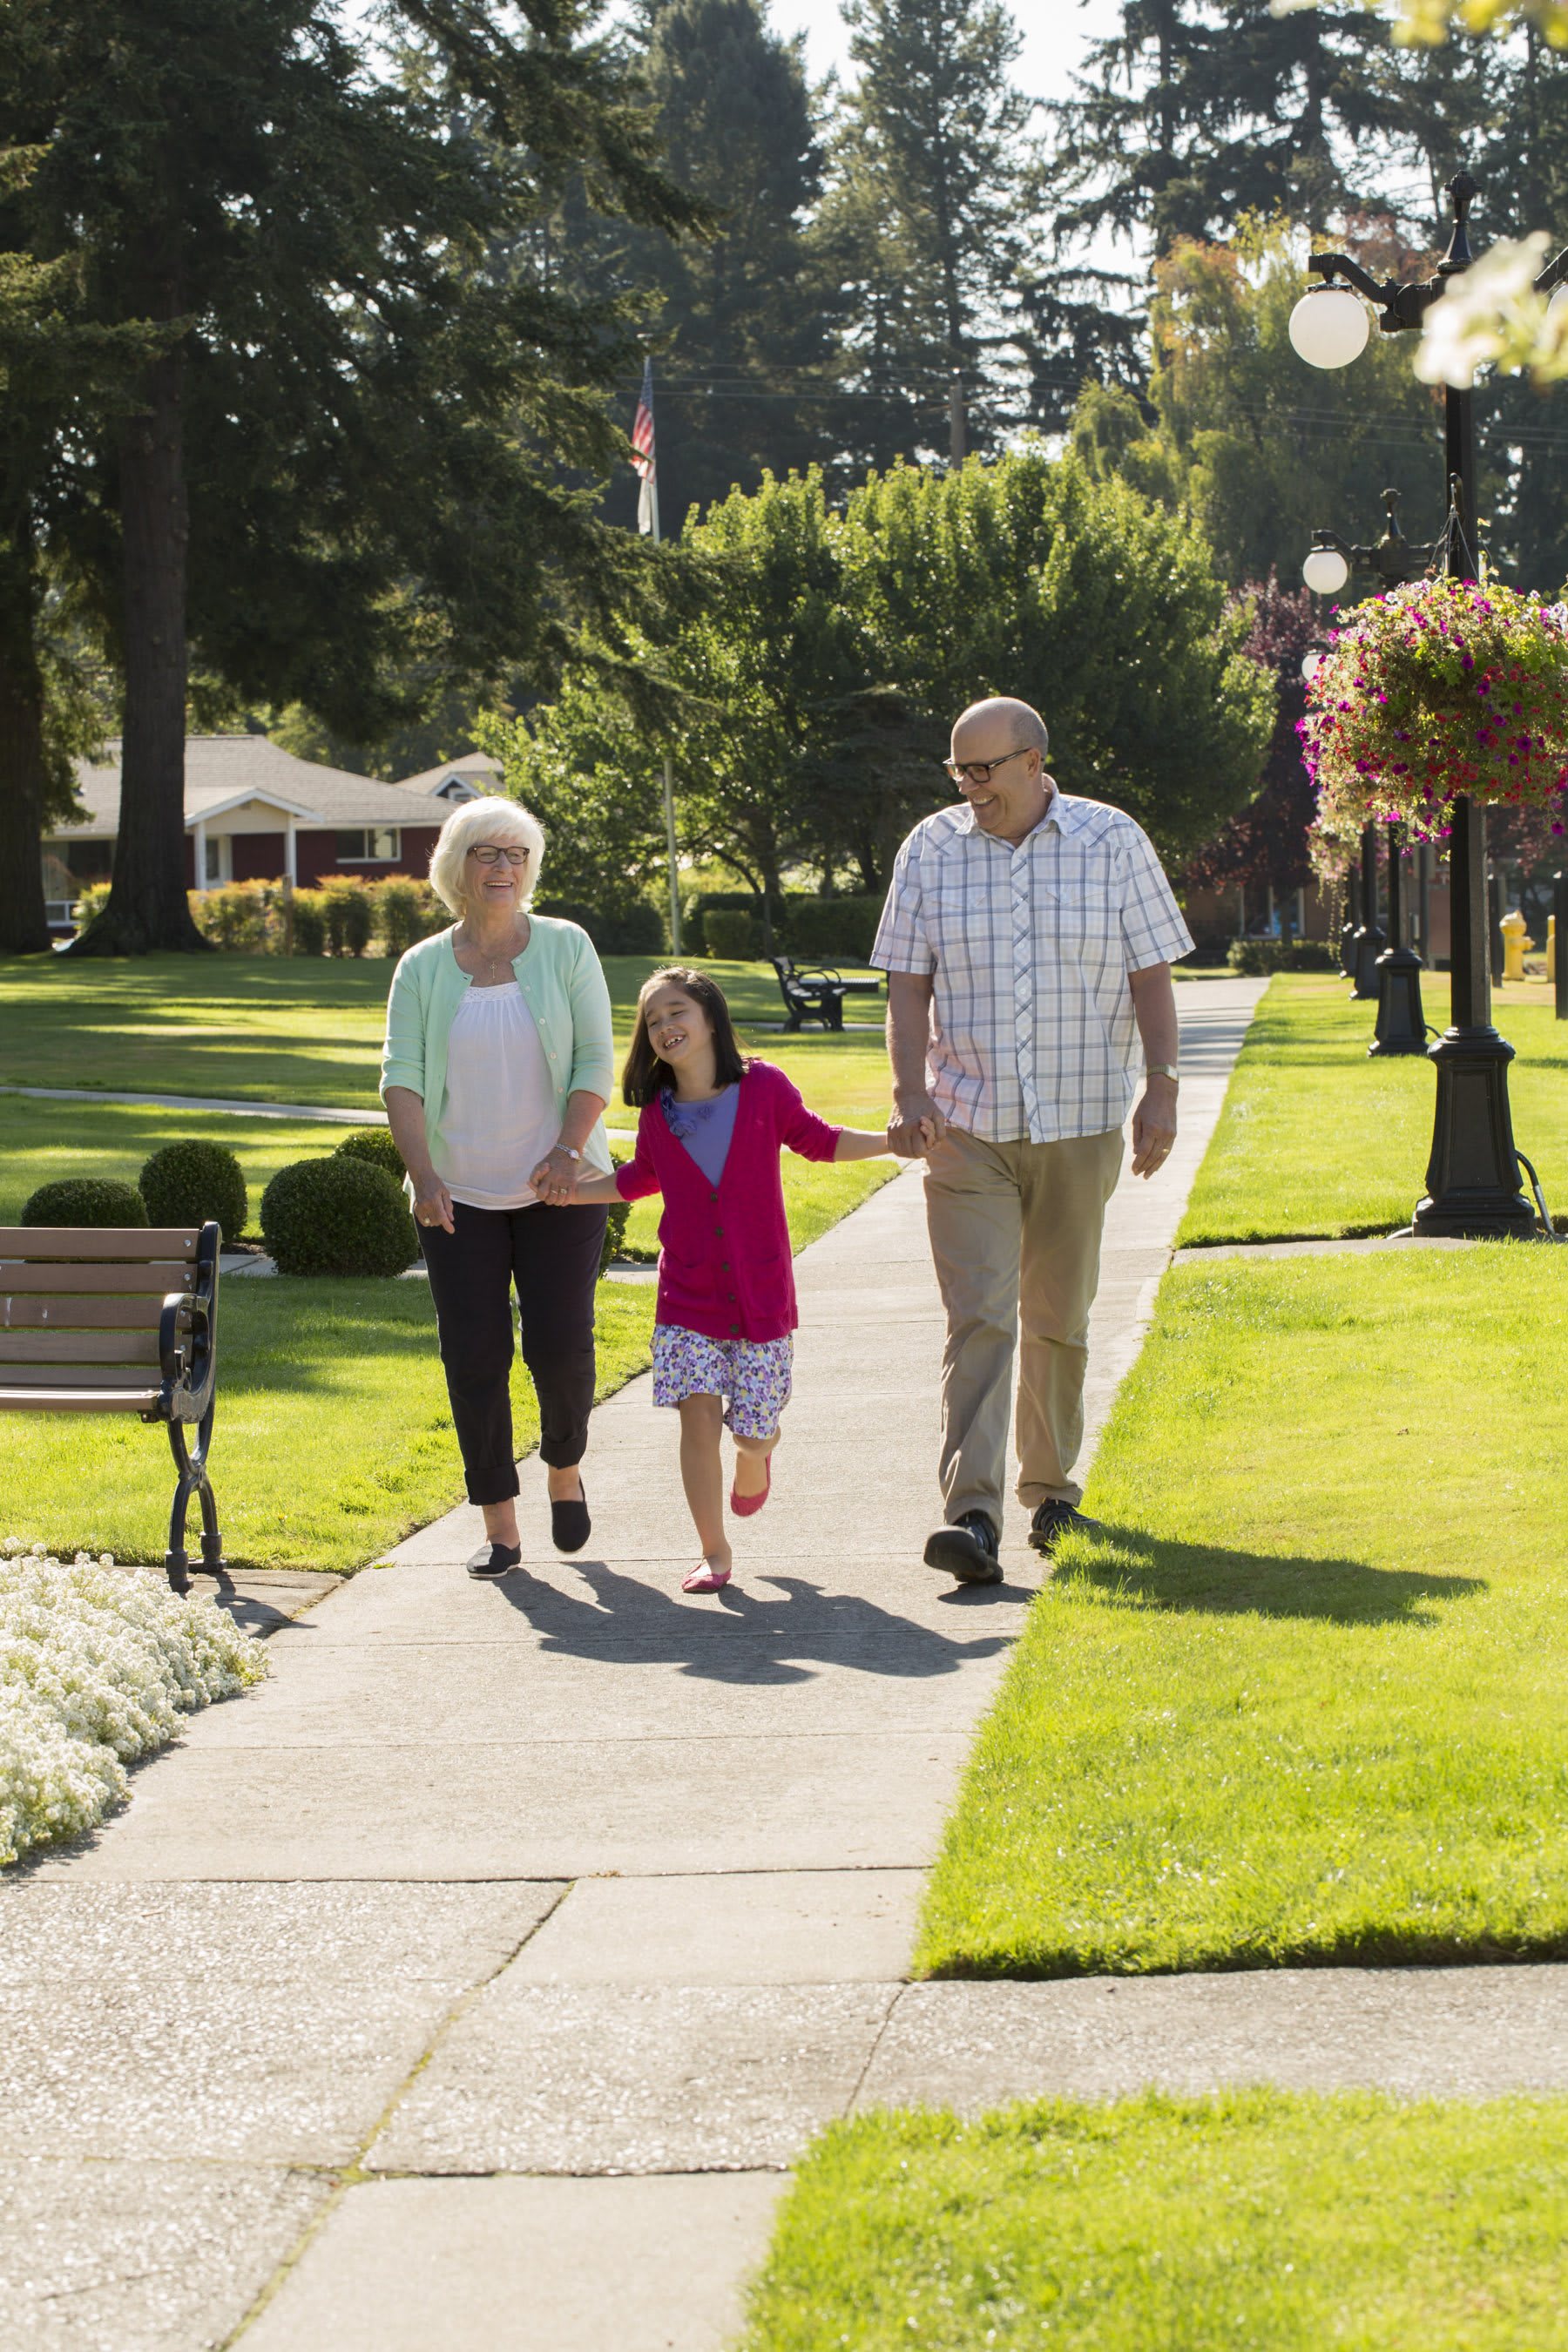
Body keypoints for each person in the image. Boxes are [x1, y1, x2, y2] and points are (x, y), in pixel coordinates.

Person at [874, 695, 1193, 1586]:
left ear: (1032, 761)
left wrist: (1160, 1088)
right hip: (965, 1123)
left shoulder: (1112, 840)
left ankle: (1051, 1491)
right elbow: (905, 986)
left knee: (1059, 1315)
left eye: (983, 770)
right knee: (979, 1316)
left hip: (1082, 1118)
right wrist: (907, 1093)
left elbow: (1151, 972)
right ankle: (971, 1517)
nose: (970, 788)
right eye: (959, 772)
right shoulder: (930, 850)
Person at [571, 967, 922, 1593]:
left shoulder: (763, 1087)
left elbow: (819, 1141)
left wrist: (895, 1144)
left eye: (676, 1012)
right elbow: (639, 1178)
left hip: (760, 1296)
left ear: (710, 1017)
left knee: (752, 1430)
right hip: (686, 1295)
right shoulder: (658, 1111)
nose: (664, 1027)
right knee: (697, 1417)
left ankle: (758, 1454)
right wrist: (571, 1195)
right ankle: (715, 1552)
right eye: (652, 1021)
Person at [381, 794, 616, 1580]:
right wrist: (424, 1178)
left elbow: (593, 1062)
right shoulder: (420, 967)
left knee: (560, 1349)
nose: (503, 867)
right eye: (486, 852)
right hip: (459, 1198)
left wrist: (564, 1151)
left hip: (562, 1189)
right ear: (456, 865)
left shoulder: (565, 946)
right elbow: (402, 1083)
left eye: (516, 854)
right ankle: (501, 1526)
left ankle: (564, 1468)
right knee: (474, 1356)